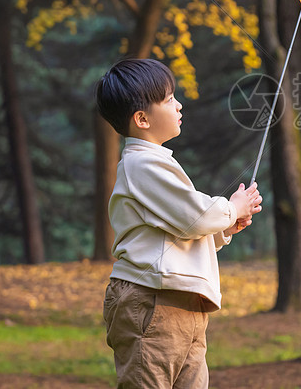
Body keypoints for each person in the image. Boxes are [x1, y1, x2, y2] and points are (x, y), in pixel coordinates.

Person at [96, 58, 262, 388]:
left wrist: (223, 230)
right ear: (142, 119)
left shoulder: (154, 164)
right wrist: (230, 207)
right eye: (169, 99)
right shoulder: (142, 164)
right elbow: (194, 215)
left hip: (183, 306)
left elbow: (177, 233)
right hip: (152, 300)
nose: (179, 104)